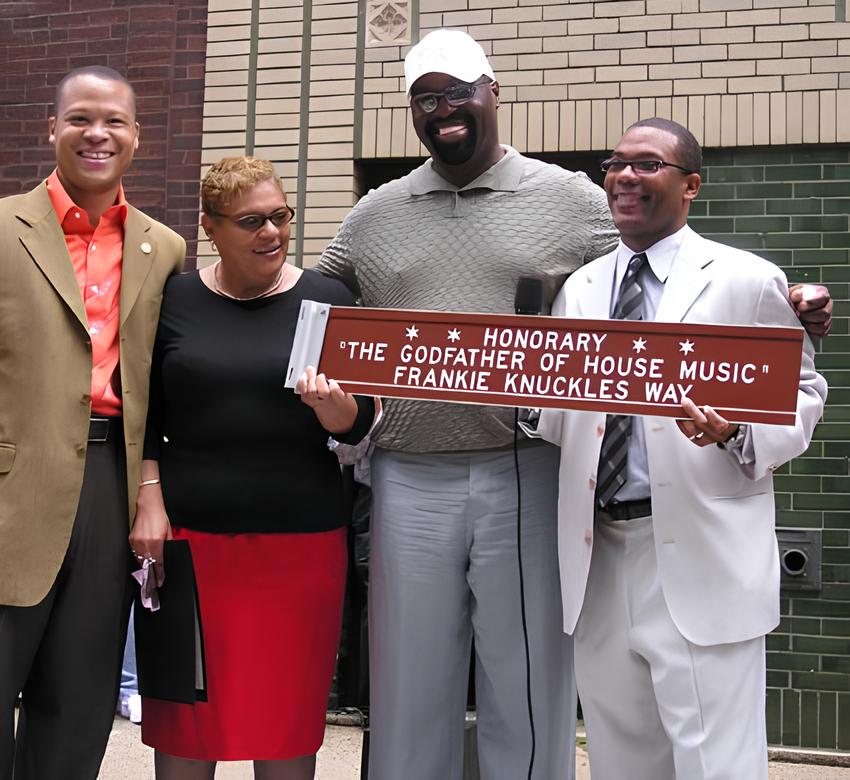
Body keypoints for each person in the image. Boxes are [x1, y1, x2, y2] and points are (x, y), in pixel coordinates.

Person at [315, 29, 832, 780]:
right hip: (461, 492)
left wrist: (789, 313)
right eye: (426, 98)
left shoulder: (584, 205)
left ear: (493, 93)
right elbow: (318, 299)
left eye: (459, 91)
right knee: (441, 689)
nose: (444, 109)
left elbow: (714, 302)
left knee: (556, 700)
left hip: (546, 482)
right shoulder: (385, 214)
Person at [0, 66, 186, 779]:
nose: (98, 133)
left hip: (108, 487)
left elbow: (158, 387)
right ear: (52, 129)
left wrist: (150, 487)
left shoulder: (164, 248)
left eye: (115, 121)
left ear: (137, 137)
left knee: (79, 704)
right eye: (81, 119)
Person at [537, 118, 827, 780]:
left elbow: (805, 395)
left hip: (701, 554)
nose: (626, 175)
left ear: (690, 185)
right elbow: (563, 419)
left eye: (648, 163)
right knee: (620, 757)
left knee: (714, 763)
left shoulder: (746, 280)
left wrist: (738, 433)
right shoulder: (580, 291)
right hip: (601, 556)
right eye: (617, 163)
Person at [129, 156, 374, 780]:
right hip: (191, 542)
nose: (272, 232)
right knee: (187, 721)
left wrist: (337, 410)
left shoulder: (326, 298)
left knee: (284, 722)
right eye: (251, 221)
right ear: (210, 227)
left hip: (300, 548)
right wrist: (149, 501)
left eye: (281, 216)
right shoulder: (175, 299)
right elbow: (147, 411)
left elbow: (361, 422)